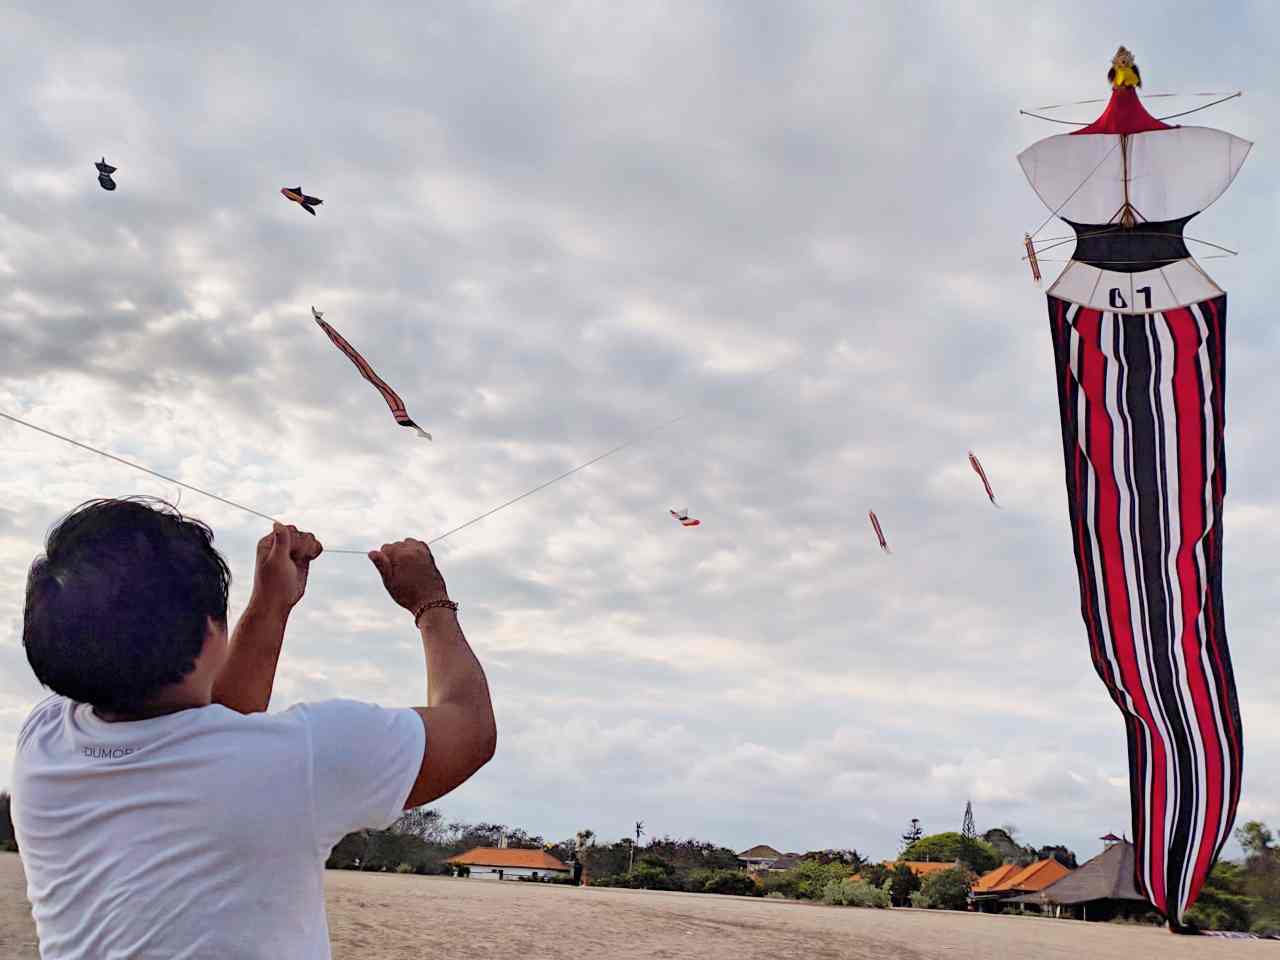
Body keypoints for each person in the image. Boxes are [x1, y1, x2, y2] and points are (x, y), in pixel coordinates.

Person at [10, 497, 496, 958]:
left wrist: (272, 604)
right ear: (209, 632)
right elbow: (469, 729)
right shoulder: (300, 759)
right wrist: (430, 604)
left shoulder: (44, 740)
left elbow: (210, 726)